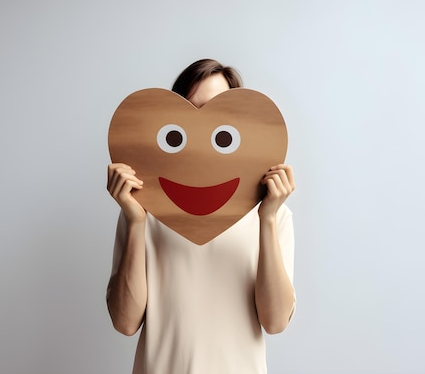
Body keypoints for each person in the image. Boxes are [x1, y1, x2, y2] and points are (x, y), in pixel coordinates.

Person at [106, 59, 296, 374]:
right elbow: (125, 323)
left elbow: (275, 322)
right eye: (191, 111)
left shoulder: (274, 215)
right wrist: (137, 222)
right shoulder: (142, 210)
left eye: (217, 112)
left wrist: (268, 219)